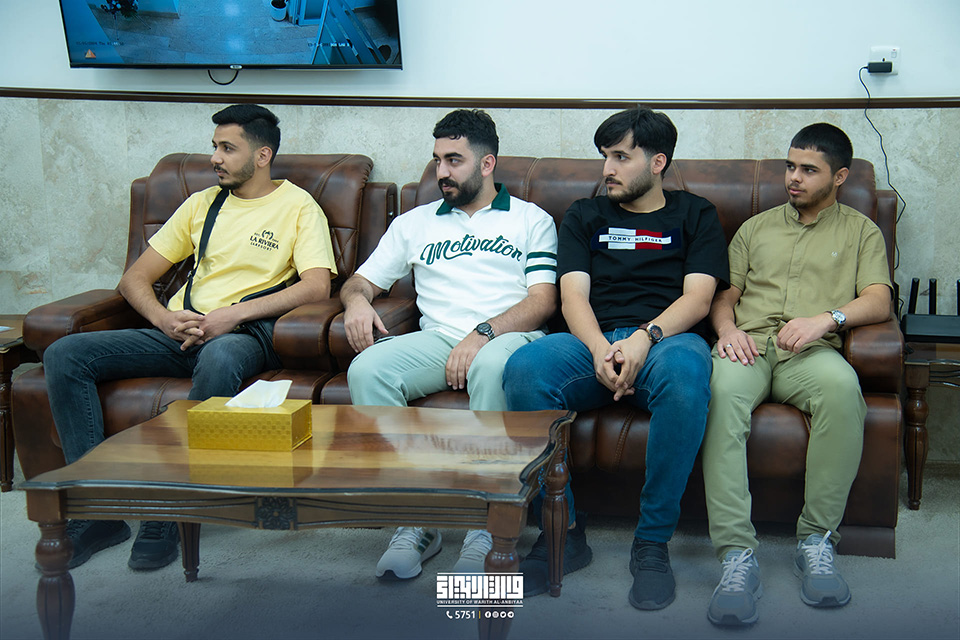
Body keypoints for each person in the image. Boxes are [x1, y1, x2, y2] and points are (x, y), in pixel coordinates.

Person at [43, 104, 336, 571]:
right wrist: (163, 319)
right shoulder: (202, 204)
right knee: (64, 353)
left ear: (262, 155)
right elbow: (134, 279)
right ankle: (97, 509)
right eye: (214, 147)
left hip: (242, 335)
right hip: (179, 331)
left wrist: (232, 315)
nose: (215, 158)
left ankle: (170, 508)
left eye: (227, 148)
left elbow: (316, 285)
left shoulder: (298, 206)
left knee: (219, 360)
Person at [503, 107, 729, 608]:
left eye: (621, 157)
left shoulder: (696, 214)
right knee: (524, 368)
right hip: (592, 338)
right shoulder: (585, 215)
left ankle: (651, 542)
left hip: (667, 340)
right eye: (605, 157)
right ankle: (563, 532)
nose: (607, 169)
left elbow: (698, 300)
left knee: (688, 373)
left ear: (657, 162)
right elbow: (572, 297)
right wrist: (599, 348)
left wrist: (645, 338)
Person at [340, 109, 558, 579]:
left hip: (510, 336)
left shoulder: (531, 220)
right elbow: (361, 281)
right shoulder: (414, 223)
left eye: (454, 160)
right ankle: (418, 519)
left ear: (487, 163)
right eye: (437, 160)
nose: (441, 171)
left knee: (490, 366)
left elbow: (542, 301)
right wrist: (356, 303)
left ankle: (488, 524)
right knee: (367, 370)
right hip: (438, 339)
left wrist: (483, 333)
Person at [702, 123, 892, 627]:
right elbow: (725, 295)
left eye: (809, 170)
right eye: (790, 166)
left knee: (843, 389)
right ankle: (736, 555)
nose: (794, 177)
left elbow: (878, 299)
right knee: (718, 394)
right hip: (748, 345)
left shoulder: (861, 231)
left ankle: (816, 541)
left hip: (810, 351)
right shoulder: (755, 228)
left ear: (840, 177)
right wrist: (726, 330)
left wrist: (827, 319)